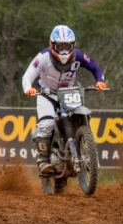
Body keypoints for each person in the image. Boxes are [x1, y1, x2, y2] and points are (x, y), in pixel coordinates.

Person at [21, 24, 107, 174]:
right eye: (60, 46)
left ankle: (84, 148)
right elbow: (27, 75)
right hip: (47, 94)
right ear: (52, 45)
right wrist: (28, 88)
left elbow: (95, 67)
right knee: (47, 123)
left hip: (69, 93)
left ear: (73, 45)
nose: (64, 51)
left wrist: (100, 81)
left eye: (67, 46)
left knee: (79, 117)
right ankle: (43, 160)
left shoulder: (78, 56)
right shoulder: (43, 57)